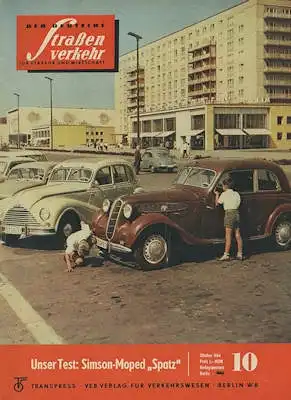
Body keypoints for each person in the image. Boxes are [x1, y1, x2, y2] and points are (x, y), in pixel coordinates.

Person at [214, 177, 243, 261]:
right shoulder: (237, 194)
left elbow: (217, 203)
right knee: (237, 234)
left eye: (223, 185)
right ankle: (240, 253)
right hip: (236, 213)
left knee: (228, 235)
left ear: (225, 186)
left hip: (229, 214)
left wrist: (217, 195)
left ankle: (226, 254)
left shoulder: (224, 194)